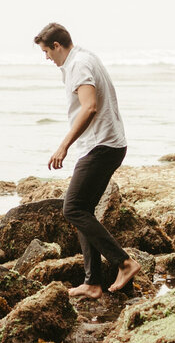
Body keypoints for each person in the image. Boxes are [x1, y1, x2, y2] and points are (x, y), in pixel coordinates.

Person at [35, 21, 138, 299]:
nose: (46, 58)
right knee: (83, 211)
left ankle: (124, 262)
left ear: (57, 46)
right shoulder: (83, 58)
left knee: (73, 209)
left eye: (46, 52)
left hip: (101, 146)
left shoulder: (79, 64)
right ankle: (92, 283)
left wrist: (63, 146)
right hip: (107, 144)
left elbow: (90, 106)